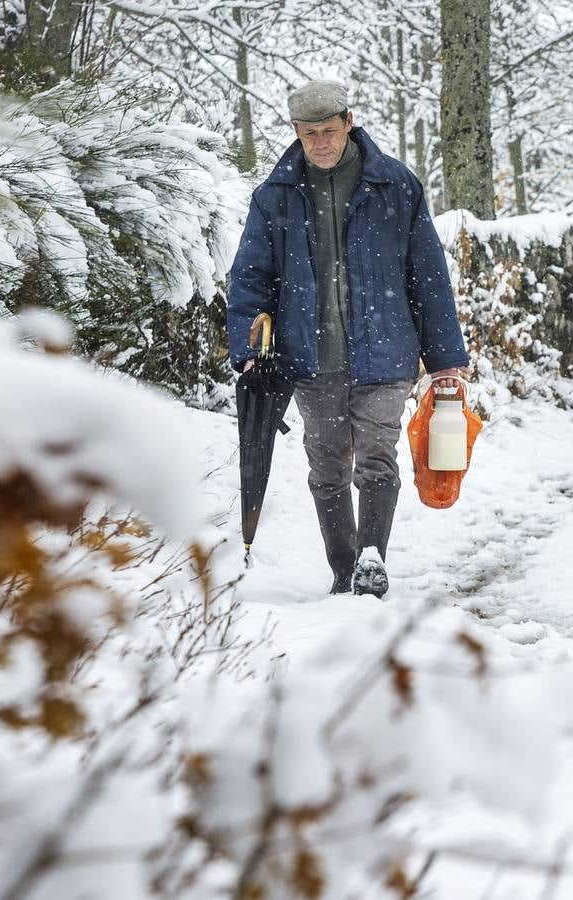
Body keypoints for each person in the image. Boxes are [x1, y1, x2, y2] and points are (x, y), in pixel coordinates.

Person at [227, 79, 470, 597]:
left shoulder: (395, 186)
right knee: (328, 463)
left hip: (387, 350)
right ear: (295, 132)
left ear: (349, 124)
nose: (320, 142)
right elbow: (250, 275)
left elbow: (427, 272)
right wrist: (249, 350)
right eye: (309, 133)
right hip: (309, 356)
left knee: (378, 456)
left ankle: (371, 559)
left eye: (329, 131)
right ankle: (343, 570)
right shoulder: (274, 197)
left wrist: (445, 355)